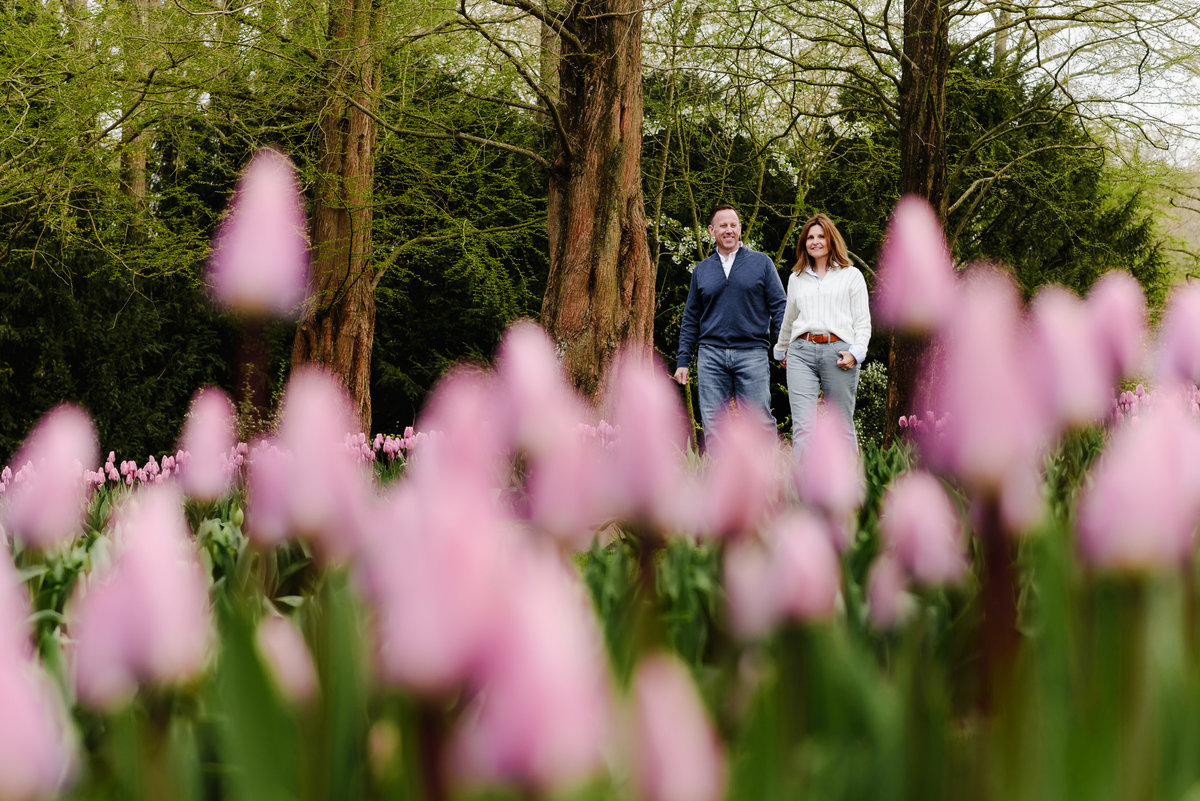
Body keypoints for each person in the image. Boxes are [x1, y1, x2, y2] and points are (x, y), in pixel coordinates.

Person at [674, 204, 787, 442]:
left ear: (740, 229)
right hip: (710, 356)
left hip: (752, 353)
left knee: (759, 423)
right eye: (723, 225)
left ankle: (767, 478)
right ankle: (718, 476)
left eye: (733, 225)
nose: (728, 230)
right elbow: (691, 318)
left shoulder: (762, 263)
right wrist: (683, 360)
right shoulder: (702, 271)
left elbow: (780, 307)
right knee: (714, 425)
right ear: (711, 230)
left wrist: (783, 345)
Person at [774, 213, 871, 453]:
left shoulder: (852, 276)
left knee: (841, 427)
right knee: (803, 429)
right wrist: (780, 350)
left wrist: (856, 354)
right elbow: (790, 318)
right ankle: (803, 490)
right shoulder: (796, 278)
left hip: (839, 354)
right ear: (804, 243)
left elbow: (863, 322)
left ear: (831, 240)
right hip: (800, 353)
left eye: (821, 236)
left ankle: (852, 489)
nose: (815, 241)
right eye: (810, 237)